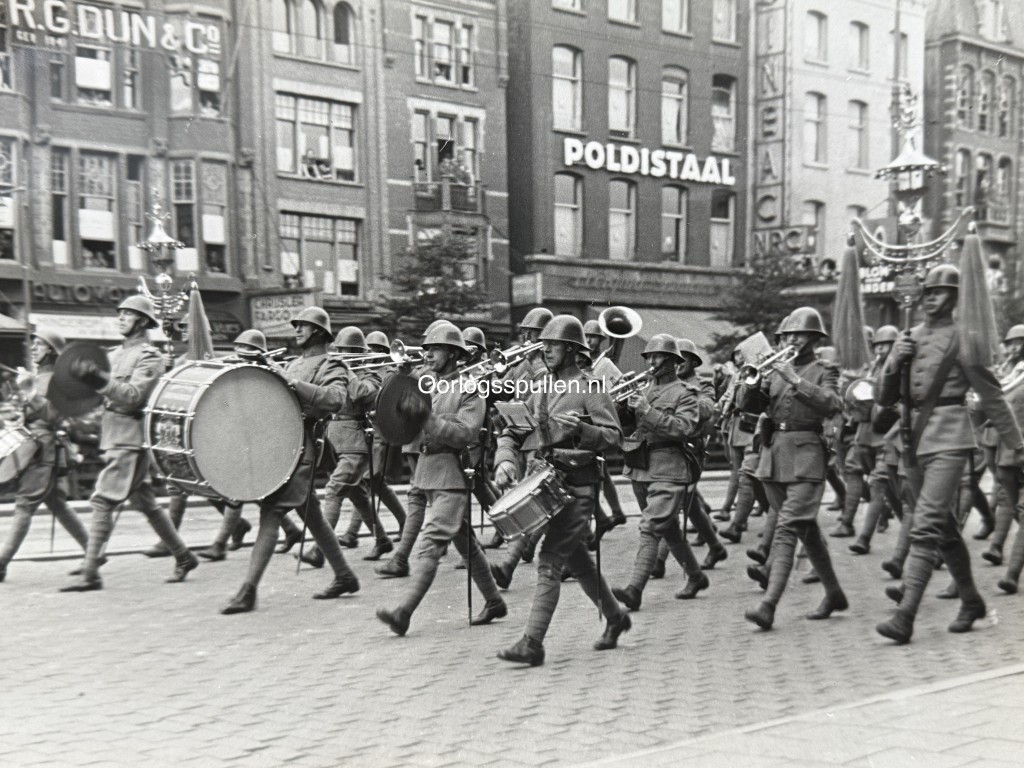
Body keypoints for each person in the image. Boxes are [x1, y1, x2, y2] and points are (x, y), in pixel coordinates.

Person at [875, 265, 1024, 643]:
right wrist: (895, 362)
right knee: (945, 530)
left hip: (951, 439)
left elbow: (992, 397)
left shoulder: (965, 340)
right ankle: (972, 600)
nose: (931, 297)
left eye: (940, 292)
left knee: (925, 523)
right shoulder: (910, 336)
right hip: (913, 441)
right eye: (927, 291)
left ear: (957, 298)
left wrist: (1018, 445)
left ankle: (904, 616)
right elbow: (885, 398)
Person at [493, 315, 629, 666]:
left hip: (579, 488)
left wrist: (584, 431)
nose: (546, 350)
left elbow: (614, 437)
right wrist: (504, 461)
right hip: (545, 486)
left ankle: (532, 643)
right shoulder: (540, 387)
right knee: (578, 562)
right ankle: (615, 617)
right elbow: (511, 429)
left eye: (552, 345)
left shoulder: (591, 388)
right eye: (545, 345)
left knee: (549, 563)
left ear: (571, 349)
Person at [220, 307, 360, 614]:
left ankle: (249, 591)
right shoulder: (294, 362)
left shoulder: (331, 363)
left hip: (302, 447)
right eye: (297, 325)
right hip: (280, 445)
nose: (296, 330)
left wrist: (291, 382)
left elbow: (336, 399)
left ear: (319, 332)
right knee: (314, 517)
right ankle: (345, 575)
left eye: (304, 326)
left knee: (271, 514)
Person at [375, 323, 506, 635]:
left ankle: (403, 612)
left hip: (452, 473)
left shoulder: (470, 389)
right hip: (428, 471)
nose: (427, 354)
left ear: (453, 353)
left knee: (432, 544)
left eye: (434, 348)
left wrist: (428, 418)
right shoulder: (425, 383)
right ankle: (494, 600)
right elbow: (400, 420)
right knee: (465, 543)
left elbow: (464, 433)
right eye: (426, 348)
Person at [61, 296, 199, 591]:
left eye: (128, 314)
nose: (121, 318)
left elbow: (134, 396)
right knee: (145, 503)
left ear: (142, 321)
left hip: (131, 438)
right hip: (114, 434)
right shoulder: (111, 355)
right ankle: (184, 556)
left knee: (102, 500)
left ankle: (90, 572)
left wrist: (97, 379)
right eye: (120, 313)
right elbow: (99, 395)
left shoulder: (150, 357)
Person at [742, 307, 847, 631]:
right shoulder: (773, 370)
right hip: (776, 456)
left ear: (814, 339)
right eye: (787, 335)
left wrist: (795, 379)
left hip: (806, 456)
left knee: (786, 530)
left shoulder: (823, 369)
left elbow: (832, 404)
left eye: (798, 335)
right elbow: (750, 410)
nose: (791, 340)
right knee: (807, 532)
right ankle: (834, 594)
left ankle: (768, 605)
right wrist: (752, 386)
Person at [613, 334, 708, 611]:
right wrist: (621, 408)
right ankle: (696, 575)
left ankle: (634, 589)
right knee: (668, 529)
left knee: (650, 527)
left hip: (670, 467)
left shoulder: (684, 393)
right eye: (649, 357)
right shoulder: (643, 389)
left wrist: (647, 411)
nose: (651, 362)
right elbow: (628, 428)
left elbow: (683, 428)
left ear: (672, 361)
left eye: (656, 357)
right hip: (641, 467)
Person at [0, 330, 89, 583]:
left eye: (39, 345)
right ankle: (95, 552)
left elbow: (53, 417)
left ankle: (2, 561)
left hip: (43, 451)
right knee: (57, 505)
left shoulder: (56, 380)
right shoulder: (40, 377)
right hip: (36, 448)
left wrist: (29, 391)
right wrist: (20, 414)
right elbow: (36, 415)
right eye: (34, 344)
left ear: (50, 350)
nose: (34, 348)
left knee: (24, 504)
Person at [302, 325, 392, 566]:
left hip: (356, 442)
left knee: (333, 491)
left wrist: (347, 371)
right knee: (358, 496)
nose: (340, 355)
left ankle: (319, 549)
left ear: (356, 352)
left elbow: (360, 394)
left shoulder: (372, 374)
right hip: (334, 439)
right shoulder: (335, 371)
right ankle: (382, 539)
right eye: (338, 351)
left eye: (345, 352)